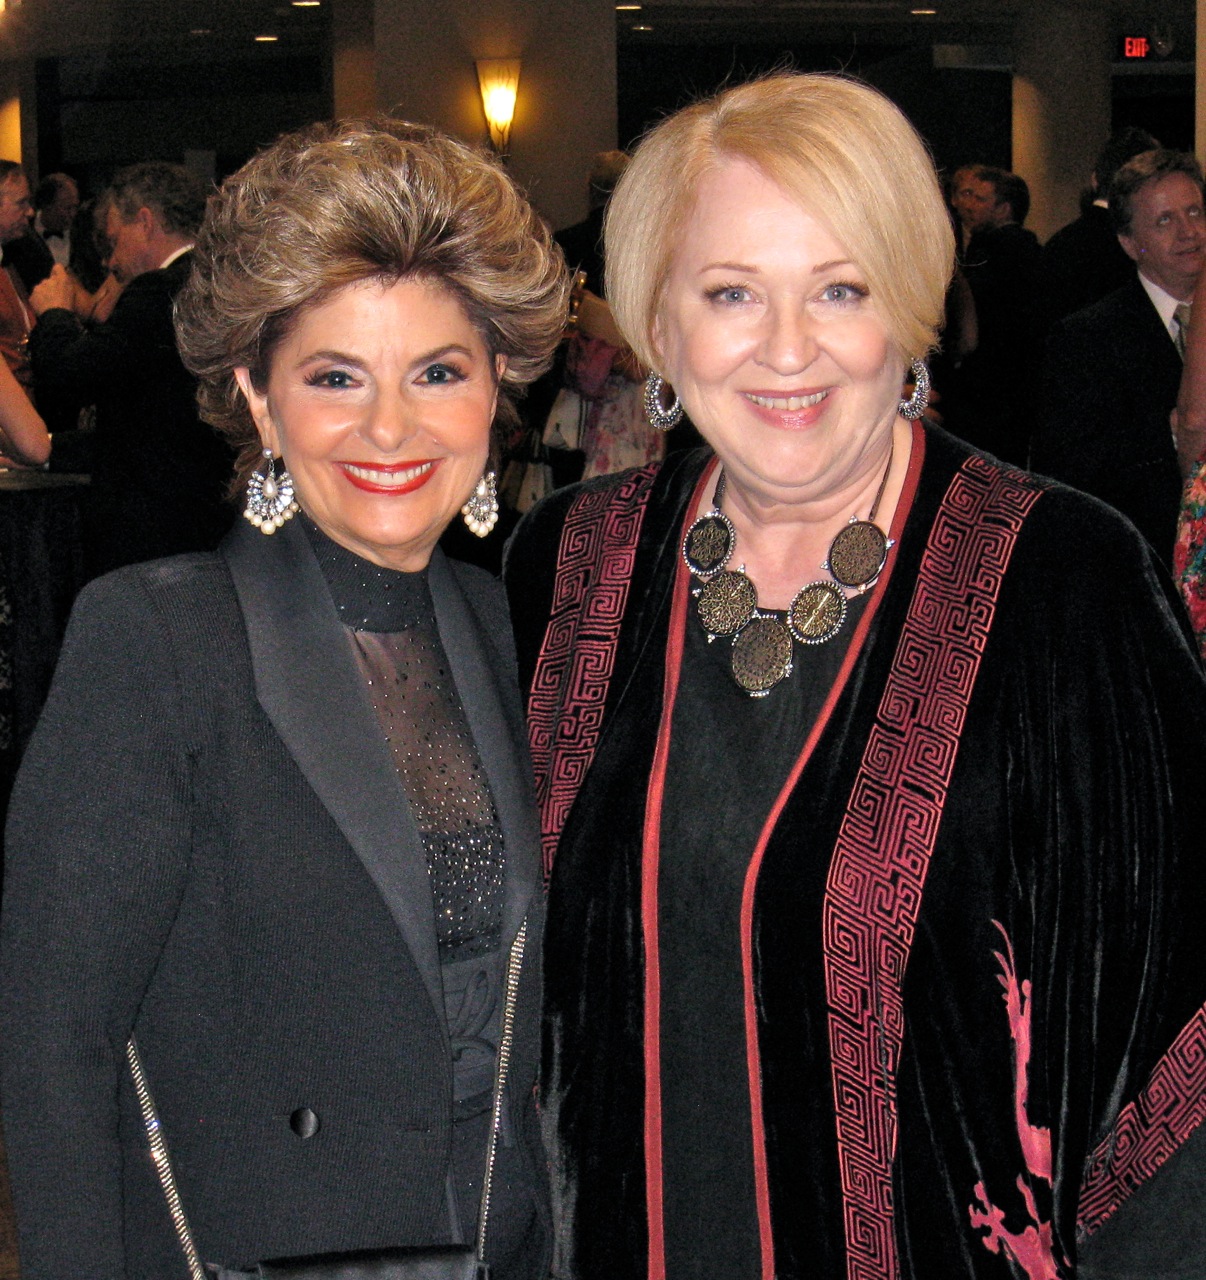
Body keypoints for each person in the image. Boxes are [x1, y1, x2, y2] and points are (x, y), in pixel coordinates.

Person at [504, 73, 1206, 1278]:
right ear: (660, 326)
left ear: (914, 307)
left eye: (841, 287)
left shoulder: (1065, 578)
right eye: (732, 293)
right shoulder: (568, 565)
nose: (789, 348)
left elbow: (1180, 1038)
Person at [1, 117, 566, 1280]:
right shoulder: (157, 638)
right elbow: (55, 1052)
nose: (392, 428)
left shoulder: (506, 625)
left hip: (497, 1246)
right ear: (259, 399)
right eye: (335, 377)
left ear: (496, 386)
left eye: (439, 373)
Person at [28, 161, 235, 577]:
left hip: (157, 524)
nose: (111, 261)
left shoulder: (159, 290)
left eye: (113, 241)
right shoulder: (218, 278)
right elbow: (147, 415)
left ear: (144, 222)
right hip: (208, 508)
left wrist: (54, 313)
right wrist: (47, 449)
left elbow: (69, 377)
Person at [1032, 148, 1204, 567]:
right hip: (1149, 561)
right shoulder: (1088, 339)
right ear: (1129, 244)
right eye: (1165, 221)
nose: (1189, 232)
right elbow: (1071, 477)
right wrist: (1176, 439)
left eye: (1196, 212)